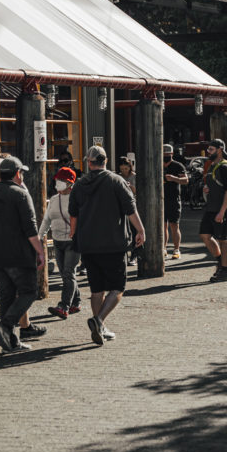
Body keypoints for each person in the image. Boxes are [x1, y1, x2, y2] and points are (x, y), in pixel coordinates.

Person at [68, 145, 145, 346]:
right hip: (113, 243)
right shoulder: (116, 181)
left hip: (88, 244)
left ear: (88, 162)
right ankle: (99, 320)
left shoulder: (79, 184)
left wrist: (73, 234)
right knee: (118, 288)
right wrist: (141, 230)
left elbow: (73, 213)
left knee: (96, 289)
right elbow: (131, 209)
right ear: (106, 161)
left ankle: (99, 328)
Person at [0, 156, 46, 354]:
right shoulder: (20, 194)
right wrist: (40, 251)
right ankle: (6, 326)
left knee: (7, 295)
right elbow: (30, 229)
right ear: (18, 174)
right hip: (18, 255)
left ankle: (11, 342)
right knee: (28, 292)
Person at [38, 166, 81, 319]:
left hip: (73, 241)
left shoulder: (78, 198)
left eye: (62, 180)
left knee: (68, 273)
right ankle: (77, 301)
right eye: (58, 180)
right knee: (65, 274)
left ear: (70, 183)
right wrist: (39, 236)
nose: (58, 183)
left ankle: (64, 306)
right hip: (57, 241)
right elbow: (47, 220)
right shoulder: (54, 200)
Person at [199, 138, 227, 283]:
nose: (208, 152)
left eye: (211, 149)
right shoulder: (213, 165)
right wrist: (207, 189)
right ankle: (221, 261)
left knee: (222, 238)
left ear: (219, 150)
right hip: (211, 207)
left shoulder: (224, 167)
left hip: (222, 210)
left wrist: (222, 211)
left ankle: (224, 271)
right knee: (204, 235)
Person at [163, 143, 188, 259]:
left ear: (172, 154)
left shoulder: (178, 165)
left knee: (174, 225)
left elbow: (186, 180)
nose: (165, 156)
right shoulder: (157, 164)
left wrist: (174, 178)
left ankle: (176, 249)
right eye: (163, 154)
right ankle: (163, 248)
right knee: (162, 226)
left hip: (174, 198)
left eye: (168, 154)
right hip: (160, 199)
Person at [118, 156, 137, 264]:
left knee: (134, 231)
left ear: (130, 167)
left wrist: (131, 187)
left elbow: (137, 191)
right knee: (123, 231)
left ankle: (134, 255)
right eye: (122, 169)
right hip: (121, 206)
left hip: (133, 205)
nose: (124, 171)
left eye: (126, 169)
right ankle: (124, 254)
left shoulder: (134, 176)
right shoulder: (118, 176)